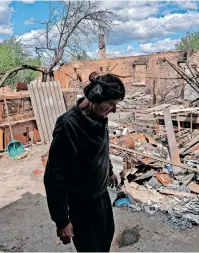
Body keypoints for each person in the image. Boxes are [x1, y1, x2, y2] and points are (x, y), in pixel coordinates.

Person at [44, 72, 125, 252]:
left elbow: (102, 147)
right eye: (111, 104)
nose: (114, 110)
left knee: (105, 239)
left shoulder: (100, 116)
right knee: (90, 248)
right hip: (82, 204)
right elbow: (54, 177)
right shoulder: (69, 126)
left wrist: (109, 170)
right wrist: (62, 221)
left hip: (101, 196)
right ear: (95, 99)